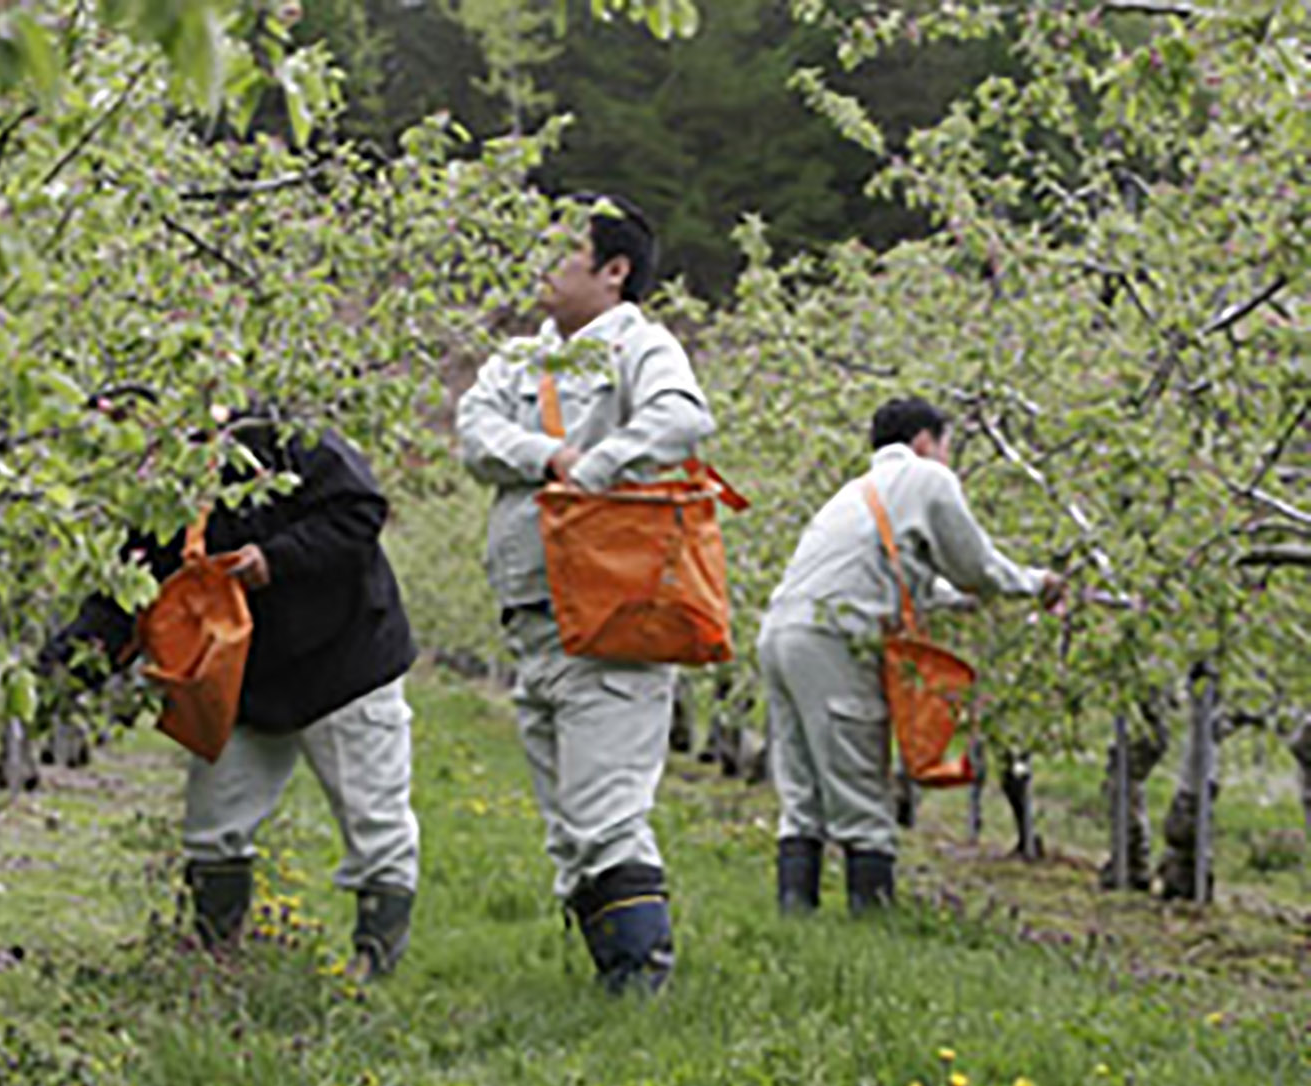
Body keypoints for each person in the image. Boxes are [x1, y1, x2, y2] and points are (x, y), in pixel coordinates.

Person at [44, 416, 420, 980]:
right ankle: (218, 963)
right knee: (213, 828)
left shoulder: (285, 432)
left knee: (375, 820)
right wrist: (58, 673)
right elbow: (126, 592)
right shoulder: (165, 487)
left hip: (344, 661)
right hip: (236, 679)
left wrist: (276, 559)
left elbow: (358, 510)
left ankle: (374, 965)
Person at [455, 196, 715, 993]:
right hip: (535, 616)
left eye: (562, 253)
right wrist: (548, 456)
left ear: (614, 270)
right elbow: (473, 431)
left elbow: (682, 419)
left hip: (613, 611)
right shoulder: (519, 357)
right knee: (570, 823)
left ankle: (640, 984)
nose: (542, 265)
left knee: (604, 812)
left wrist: (595, 471)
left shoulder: (642, 343)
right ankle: (610, 977)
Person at [759, 397, 1065, 914]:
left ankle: (797, 916)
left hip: (782, 633)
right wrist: (1036, 584)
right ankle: (871, 920)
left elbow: (901, 574)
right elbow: (976, 565)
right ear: (926, 441)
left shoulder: (855, 492)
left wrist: (956, 600)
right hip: (837, 638)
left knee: (803, 791)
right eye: (947, 446)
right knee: (860, 786)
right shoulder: (927, 478)